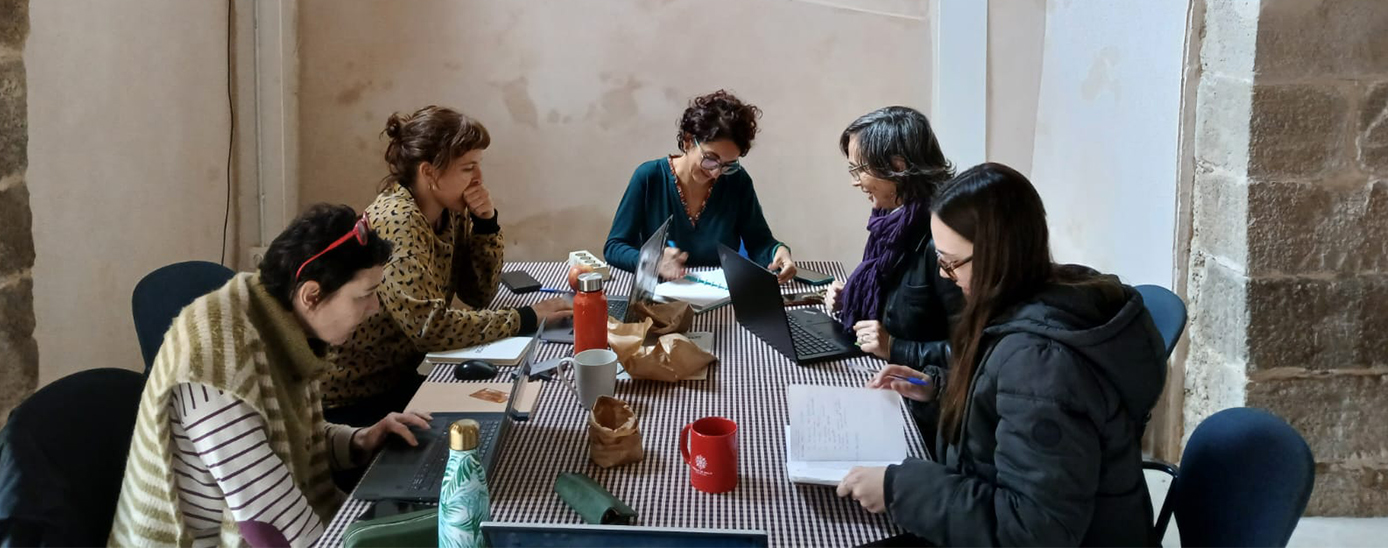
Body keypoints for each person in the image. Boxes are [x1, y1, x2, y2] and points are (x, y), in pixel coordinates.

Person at [837, 163, 1167, 546]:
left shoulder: (1043, 366)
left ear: (997, 254)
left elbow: (1031, 531)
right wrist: (941, 392)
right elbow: (1005, 411)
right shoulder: (1030, 297)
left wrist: (899, 488)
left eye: (950, 262)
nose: (944, 275)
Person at [110, 204, 433, 548]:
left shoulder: (276, 322)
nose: (375, 308)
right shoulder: (217, 365)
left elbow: (289, 437)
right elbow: (275, 525)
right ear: (311, 295)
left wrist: (360, 441)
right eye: (365, 295)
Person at [326, 106, 571, 427]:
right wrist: (526, 317)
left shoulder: (446, 210)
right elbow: (430, 328)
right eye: (469, 168)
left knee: (522, 404)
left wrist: (485, 225)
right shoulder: (398, 221)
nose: (479, 179)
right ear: (429, 172)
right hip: (356, 396)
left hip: (399, 375)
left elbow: (478, 293)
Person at [824, 106, 963, 446]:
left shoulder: (943, 240)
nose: (855, 181)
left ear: (898, 167)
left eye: (860, 169)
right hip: (892, 379)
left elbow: (974, 348)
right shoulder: (894, 222)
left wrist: (894, 346)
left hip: (926, 406)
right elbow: (899, 300)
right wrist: (852, 297)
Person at [604, 90, 796, 282]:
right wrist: (651, 260)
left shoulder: (737, 181)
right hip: (661, 297)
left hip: (720, 296)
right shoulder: (649, 178)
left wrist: (777, 252)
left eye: (728, 164)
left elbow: (759, 242)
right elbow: (614, 246)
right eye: (711, 159)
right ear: (688, 141)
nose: (716, 173)